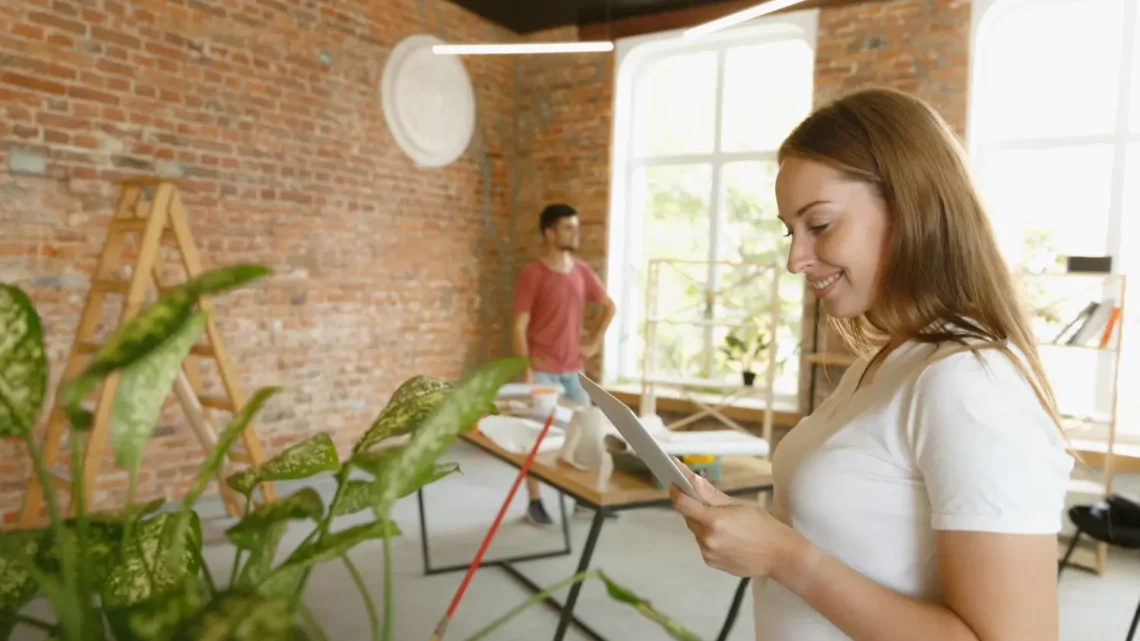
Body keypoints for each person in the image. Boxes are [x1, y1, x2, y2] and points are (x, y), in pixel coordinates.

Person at [669, 87, 1076, 641]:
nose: (794, 259)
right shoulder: (884, 364)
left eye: (820, 224)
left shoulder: (970, 384)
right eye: (791, 231)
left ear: (910, 205)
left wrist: (785, 556)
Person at [512, 203, 616, 526]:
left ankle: (583, 501)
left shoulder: (582, 271)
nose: (576, 233)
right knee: (538, 439)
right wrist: (527, 371)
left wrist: (594, 341)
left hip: (573, 371)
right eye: (568, 227)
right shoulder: (533, 273)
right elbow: (518, 326)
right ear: (550, 233)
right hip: (542, 370)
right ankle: (534, 502)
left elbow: (609, 306)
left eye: (576, 226)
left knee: (584, 435)